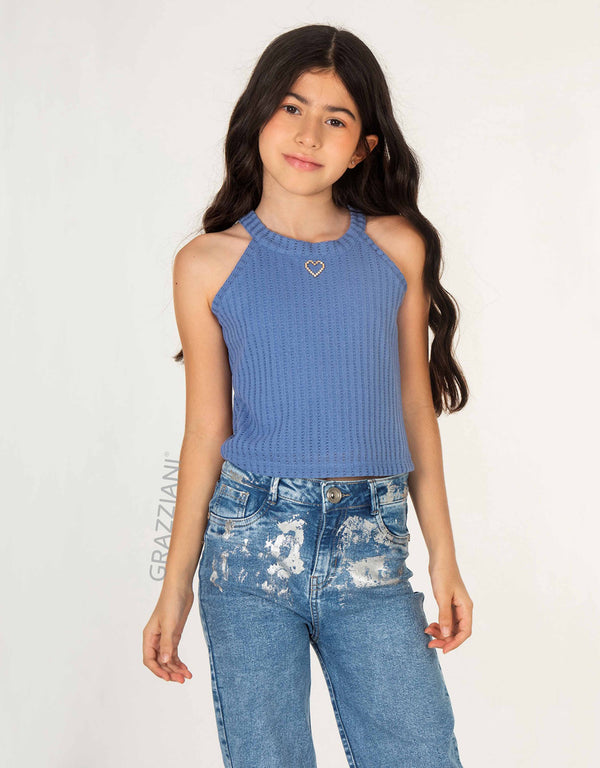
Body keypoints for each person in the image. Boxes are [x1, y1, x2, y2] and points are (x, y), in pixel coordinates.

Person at [143, 23, 472, 768]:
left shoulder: (396, 247)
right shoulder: (206, 263)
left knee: (420, 751)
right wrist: (174, 586)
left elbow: (415, 409)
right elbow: (204, 431)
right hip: (246, 551)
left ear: (363, 148)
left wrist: (445, 559)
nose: (308, 134)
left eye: (336, 119)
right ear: (258, 115)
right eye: (292, 108)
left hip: (372, 546)